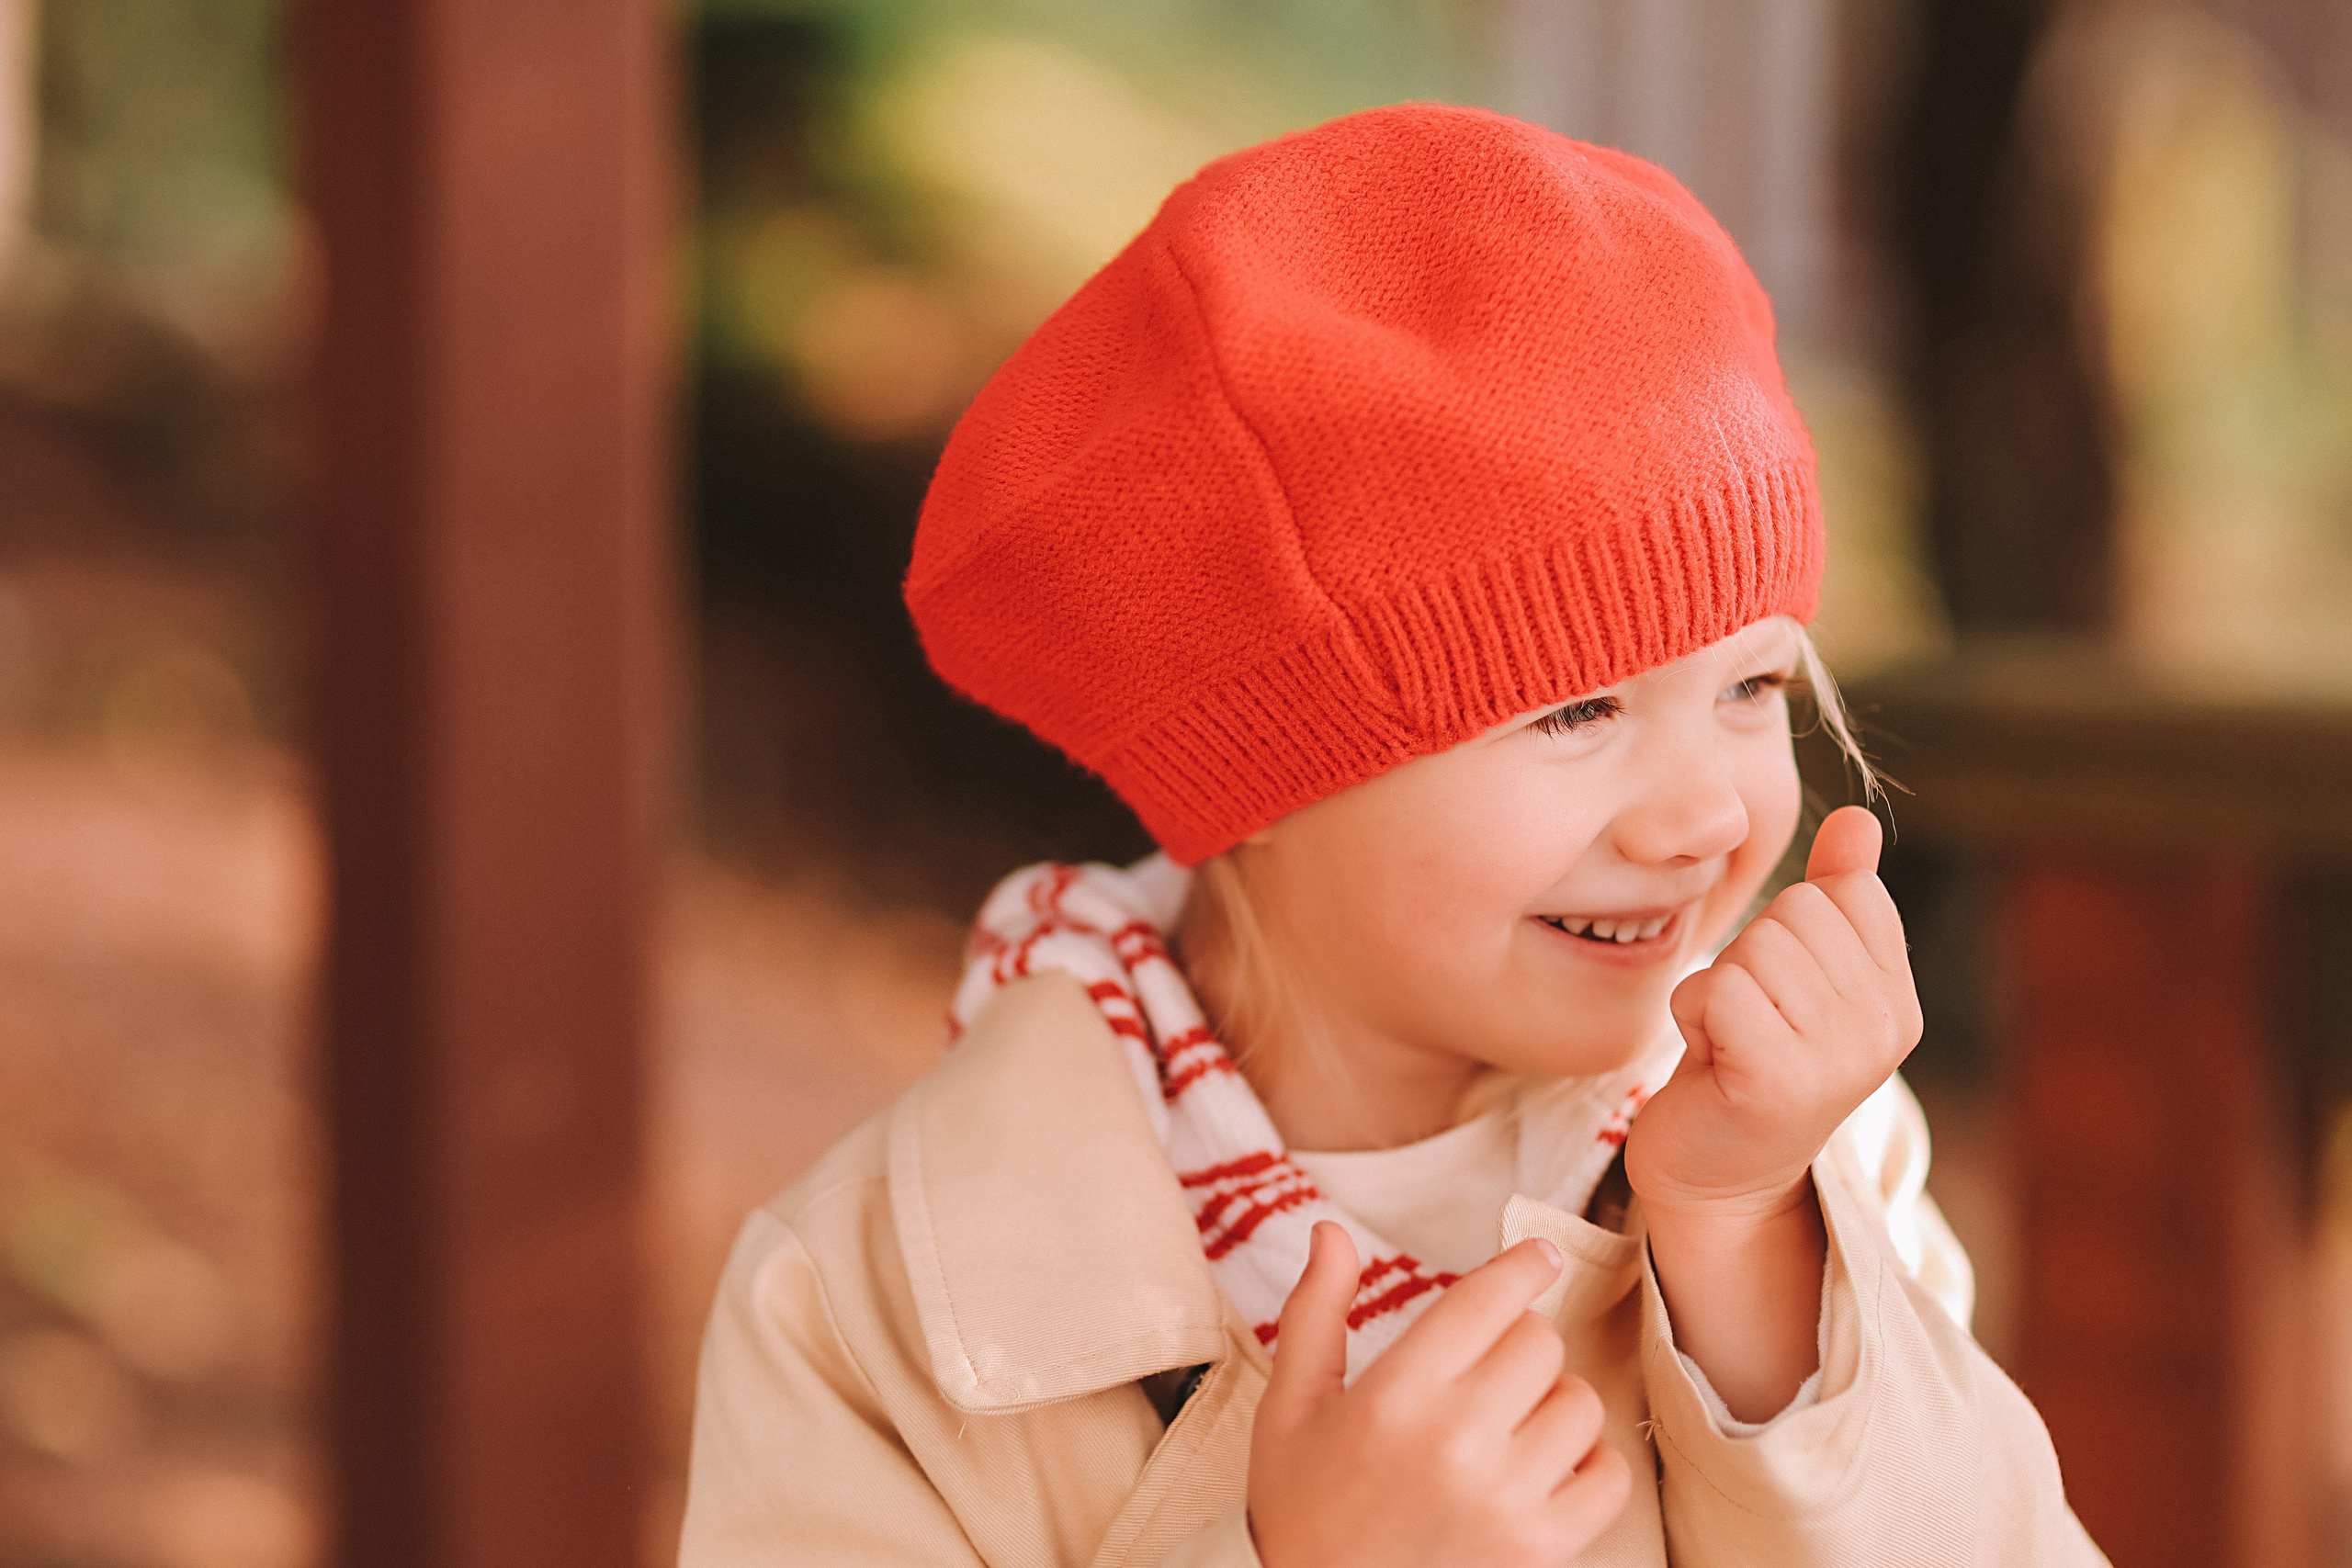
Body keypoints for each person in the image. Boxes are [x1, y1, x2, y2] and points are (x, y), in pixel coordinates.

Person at [678, 103, 2107, 1566]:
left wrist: (1749, 1254)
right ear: (1264, 781)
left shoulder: (1806, 1151)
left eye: (1750, 686)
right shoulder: (875, 1299)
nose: (1706, 816)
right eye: (1573, 712)